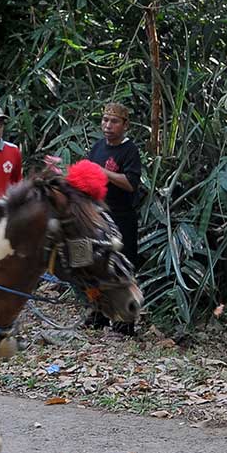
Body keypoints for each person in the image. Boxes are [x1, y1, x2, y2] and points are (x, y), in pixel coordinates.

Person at [85, 102, 142, 336]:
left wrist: (104, 173)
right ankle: (98, 314)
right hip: (98, 216)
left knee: (122, 269)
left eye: (114, 121)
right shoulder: (98, 147)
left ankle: (125, 320)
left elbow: (131, 183)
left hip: (122, 218)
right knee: (93, 267)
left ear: (125, 125)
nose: (108, 126)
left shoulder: (130, 151)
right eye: (105, 120)